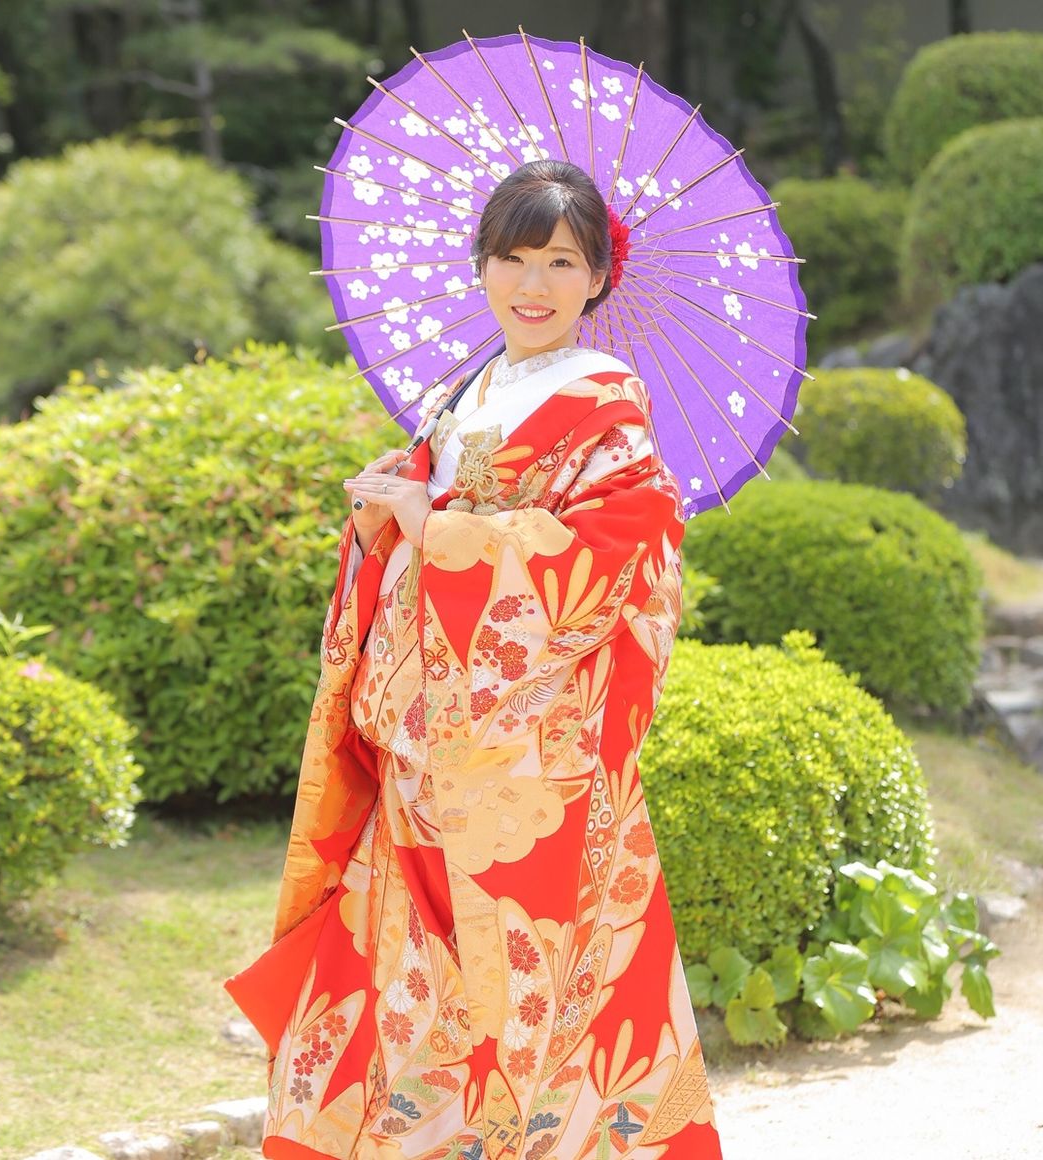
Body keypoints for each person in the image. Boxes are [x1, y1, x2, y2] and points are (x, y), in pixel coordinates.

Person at [225, 160, 724, 1160]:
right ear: (482, 264)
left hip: (528, 753)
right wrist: (386, 516)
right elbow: (428, 524)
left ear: (598, 277)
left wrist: (441, 529)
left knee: (531, 977)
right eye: (512, 257)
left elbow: (622, 548)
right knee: (407, 964)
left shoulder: (605, 398)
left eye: (560, 262)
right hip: (422, 733)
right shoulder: (466, 389)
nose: (532, 284)